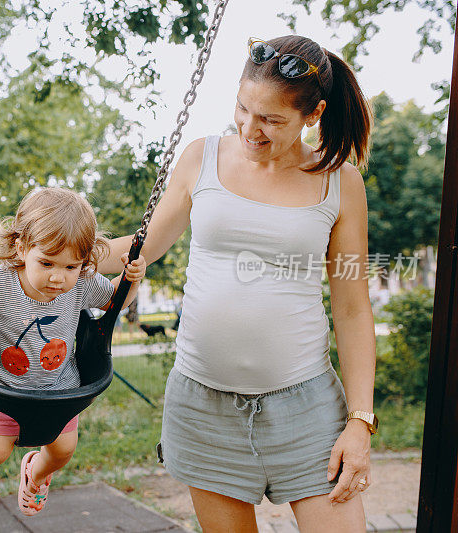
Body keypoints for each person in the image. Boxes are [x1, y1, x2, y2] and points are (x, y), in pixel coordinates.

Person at [98, 35, 376, 532]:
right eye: (243, 109)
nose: (251, 128)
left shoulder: (340, 182)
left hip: (306, 405)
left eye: (271, 119)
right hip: (204, 406)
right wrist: (55, 255)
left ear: (312, 116)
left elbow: (353, 309)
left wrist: (360, 421)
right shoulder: (201, 157)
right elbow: (137, 248)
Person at [0, 187, 146, 517]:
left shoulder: (82, 283)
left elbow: (115, 302)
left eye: (72, 266)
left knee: (63, 450)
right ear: (21, 248)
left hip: (58, 387)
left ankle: (36, 474)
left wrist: (131, 280)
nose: (58, 277)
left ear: (85, 262)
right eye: (46, 263)